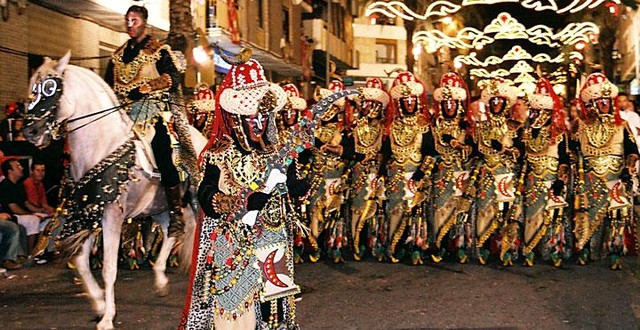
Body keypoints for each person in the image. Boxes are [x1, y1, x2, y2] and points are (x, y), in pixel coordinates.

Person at [181, 57, 304, 329]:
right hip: (234, 246)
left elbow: (293, 187)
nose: (259, 124)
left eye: (263, 116)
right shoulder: (220, 153)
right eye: (252, 117)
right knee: (236, 314)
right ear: (236, 119)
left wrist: (299, 185)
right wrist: (238, 202)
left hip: (273, 243)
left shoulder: (279, 151)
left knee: (274, 313)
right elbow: (206, 194)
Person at [104, 5, 185, 238]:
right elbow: (108, 86)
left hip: (152, 111)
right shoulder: (117, 55)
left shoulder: (159, 50)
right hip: (123, 114)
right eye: (128, 20)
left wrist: (146, 87)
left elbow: (174, 77)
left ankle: (176, 212)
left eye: (135, 20)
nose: (130, 25)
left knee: (161, 148)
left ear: (145, 23)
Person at [573, 73, 639, 270]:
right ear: (592, 103)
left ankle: (615, 251)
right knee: (586, 213)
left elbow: (632, 150)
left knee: (617, 215)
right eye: (599, 101)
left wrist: (629, 166)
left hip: (615, 176)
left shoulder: (622, 125)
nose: (604, 105)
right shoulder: (582, 126)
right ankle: (584, 248)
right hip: (589, 178)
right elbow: (573, 151)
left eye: (607, 101)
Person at [474, 78, 524, 266]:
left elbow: (520, 152)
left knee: (507, 212)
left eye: (499, 101)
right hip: (487, 173)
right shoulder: (481, 126)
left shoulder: (515, 126)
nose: (496, 104)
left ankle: (508, 247)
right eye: (492, 101)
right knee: (485, 210)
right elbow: (478, 150)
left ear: (505, 104)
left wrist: (503, 149)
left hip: (507, 174)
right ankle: (486, 245)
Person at [521, 77, 570, 267]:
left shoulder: (558, 133)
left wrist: (560, 178)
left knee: (554, 216)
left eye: (538, 112)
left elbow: (565, 159)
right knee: (531, 215)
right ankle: (529, 249)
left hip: (552, 179)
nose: (534, 115)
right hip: (533, 180)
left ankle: (554, 249)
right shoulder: (525, 132)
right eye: (533, 111)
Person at [0, 159, 46, 255]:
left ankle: (42, 251)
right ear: (10, 171)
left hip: (21, 214)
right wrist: (33, 215)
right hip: (12, 215)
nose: (22, 168)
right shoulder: (5, 185)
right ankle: (30, 254)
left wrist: (41, 211)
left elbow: (26, 203)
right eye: (18, 166)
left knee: (48, 221)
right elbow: (14, 208)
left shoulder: (19, 185)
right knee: (33, 220)